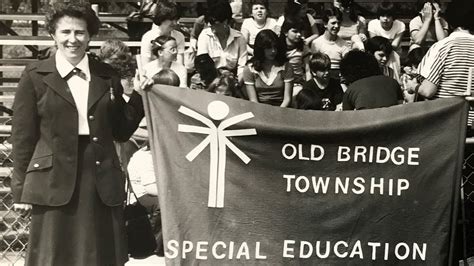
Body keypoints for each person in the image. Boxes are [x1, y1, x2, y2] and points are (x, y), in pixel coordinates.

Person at [11, 3, 144, 265]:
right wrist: (20, 192)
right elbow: (22, 139)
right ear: (53, 34)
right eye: (65, 32)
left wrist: (137, 97)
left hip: (99, 181)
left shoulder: (107, 76)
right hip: (52, 182)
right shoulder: (35, 76)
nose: (73, 40)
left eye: (80, 32)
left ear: (90, 35)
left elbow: (120, 131)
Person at [415, 0, 474, 128]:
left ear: (450, 22)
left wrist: (412, 86)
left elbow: (427, 91)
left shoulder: (443, 46)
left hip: (446, 124)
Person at [197, 0, 248, 82]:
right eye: (209, 22)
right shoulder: (205, 36)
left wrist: (237, 83)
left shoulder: (239, 38)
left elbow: (242, 66)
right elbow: (203, 65)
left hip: (233, 80)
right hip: (210, 79)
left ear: (225, 21)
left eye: (214, 22)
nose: (210, 25)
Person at [243, 29, 294, 107]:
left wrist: (277, 114)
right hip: (259, 109)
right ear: (260, 48)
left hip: (281, 109)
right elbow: (253, 100)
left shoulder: (286, 66)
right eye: (269, 48)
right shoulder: (249, 68)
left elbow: (287, 99)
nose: (273, 51)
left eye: (275, 47)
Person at [140, 0, 185, 68]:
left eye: (176, 19)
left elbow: (180, 65)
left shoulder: (179, 36)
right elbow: (145, 66)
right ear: (162, 18)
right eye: (171, 19)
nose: (175, 23)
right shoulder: (148, 37)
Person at [311, 8, 350, 81]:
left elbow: (347, 65)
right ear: (325, 24)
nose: (337, 26)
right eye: (333, 23)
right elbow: (314, 66)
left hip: (338, 78)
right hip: (322, 77)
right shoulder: (317, 43)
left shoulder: (344, 44)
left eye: (339, 23)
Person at [279, 16, 312, 95]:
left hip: (297, 81)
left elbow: (308, 70)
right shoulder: (278, 46)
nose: (299, 34)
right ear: (285, 32)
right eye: (295, 31)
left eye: (300, 31)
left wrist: (307, 88)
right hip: (281, 81)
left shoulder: (303, 46)